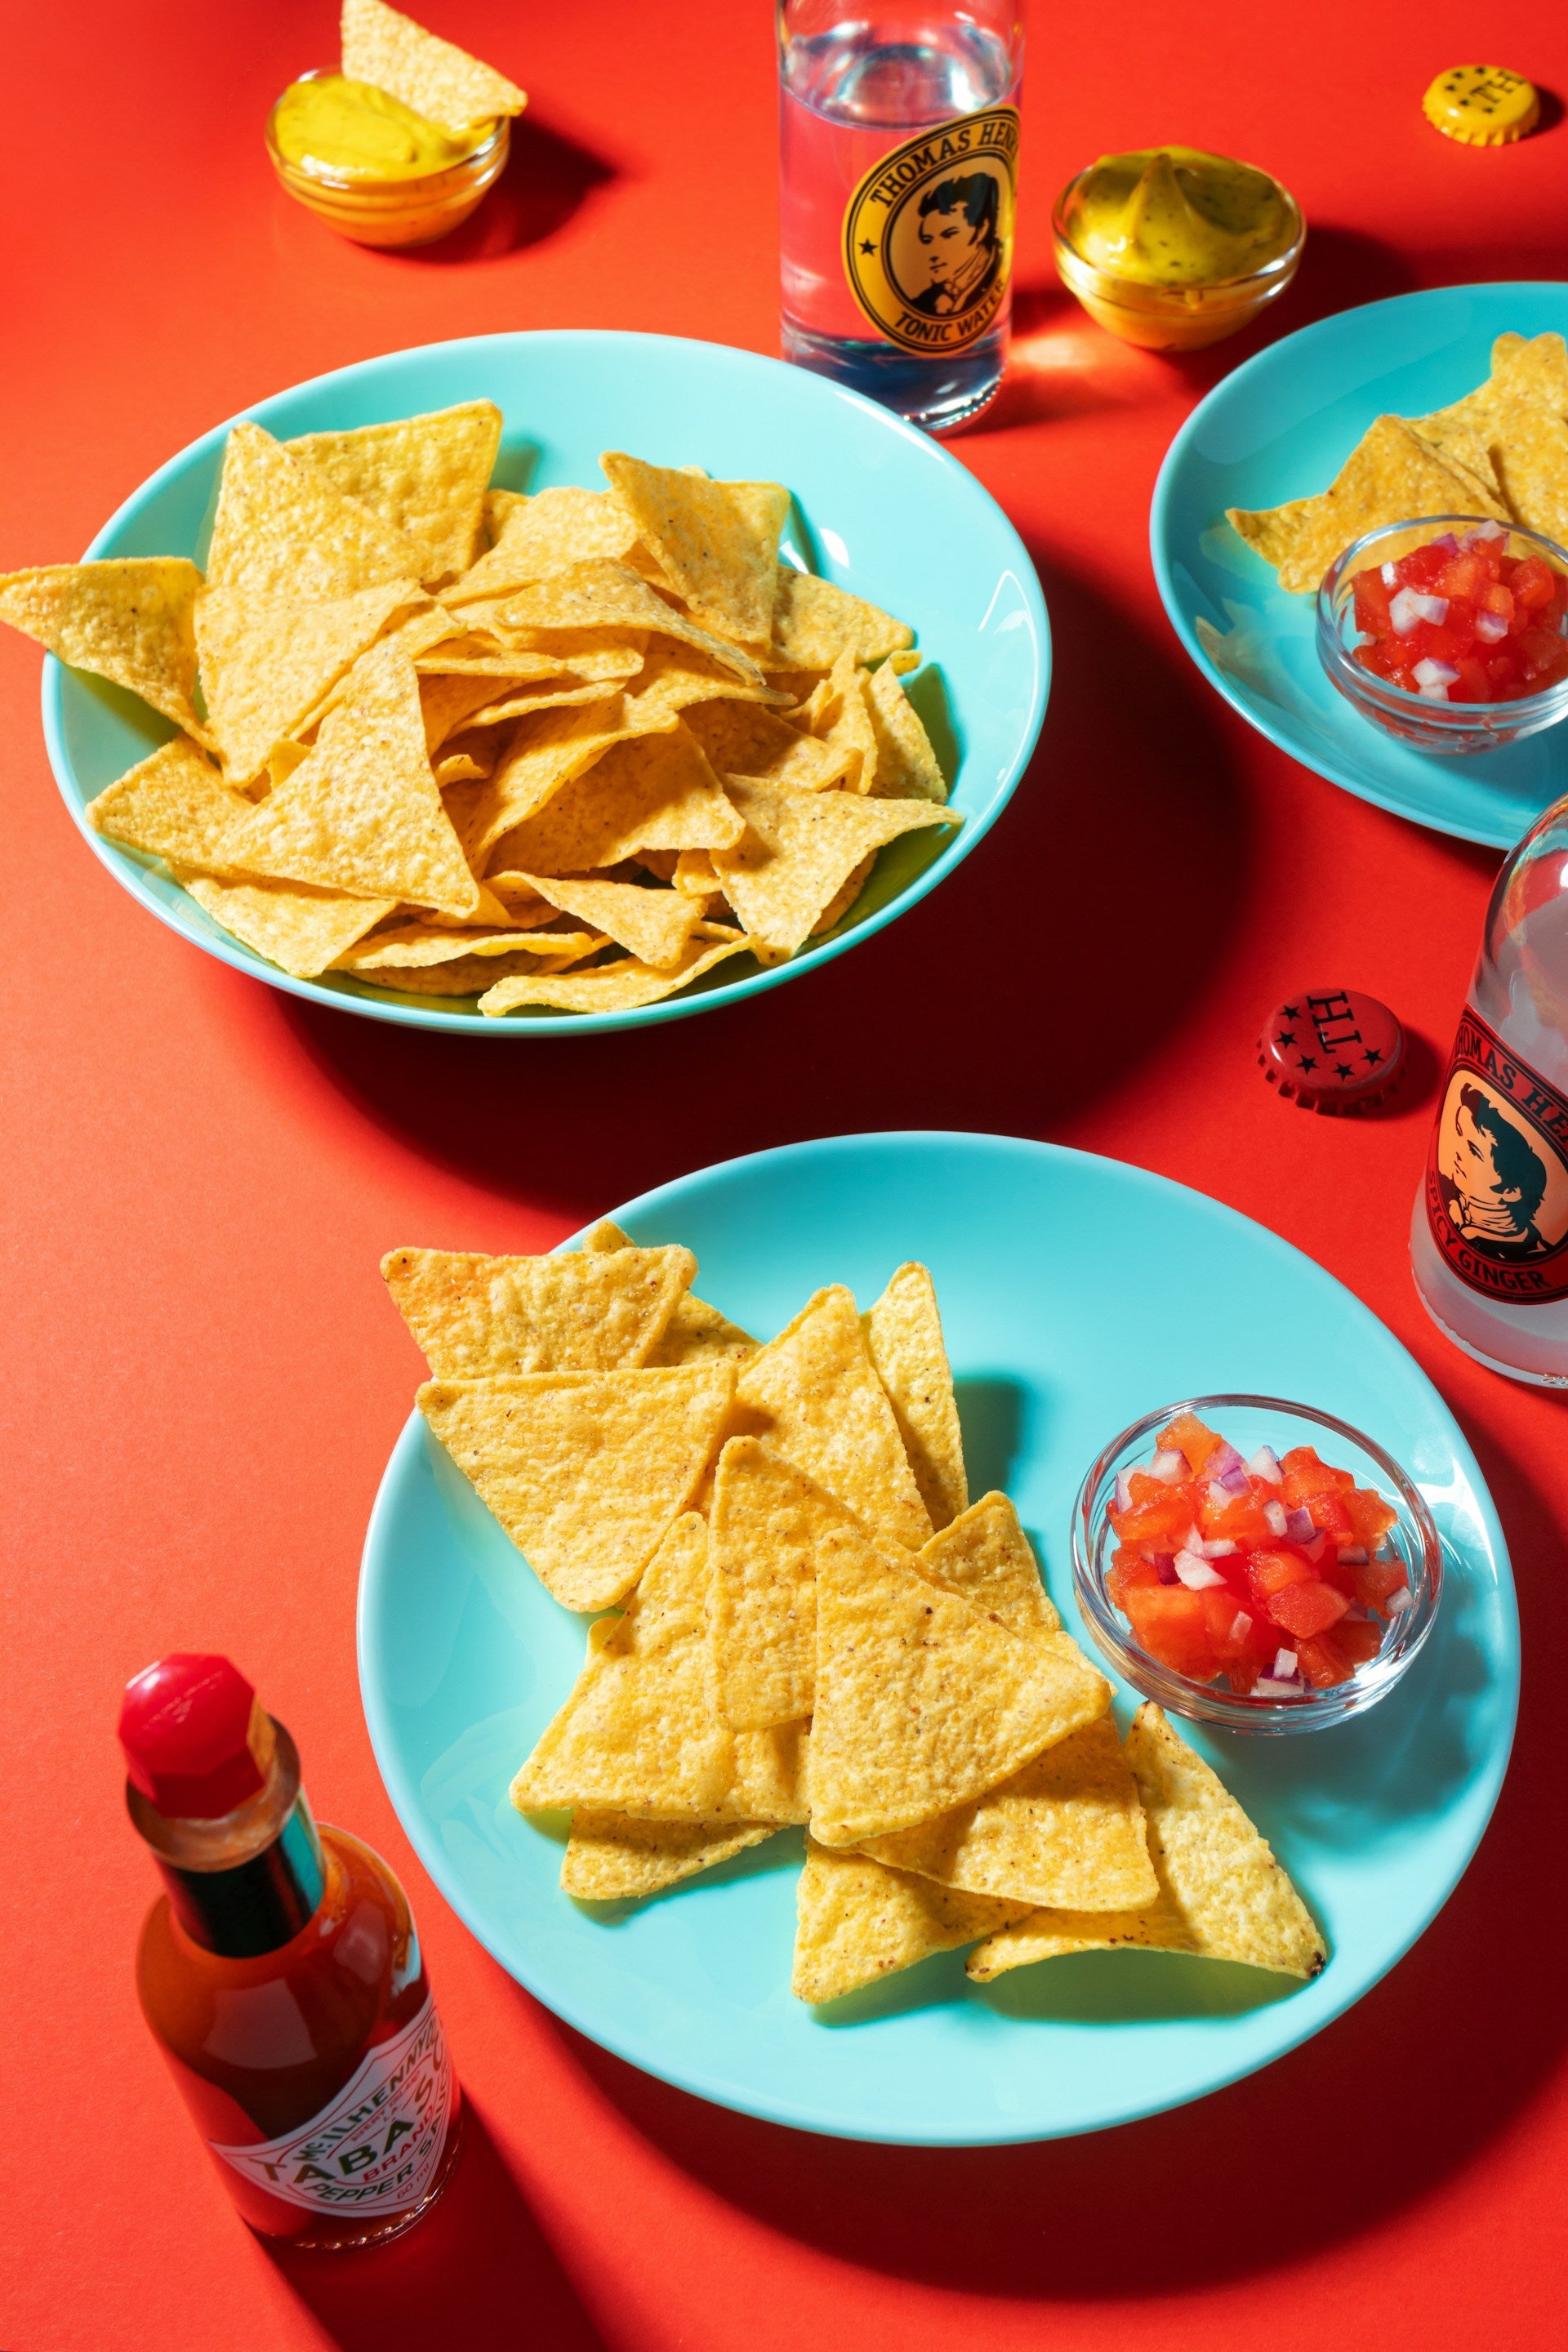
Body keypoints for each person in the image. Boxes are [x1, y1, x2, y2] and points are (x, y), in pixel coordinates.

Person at [1439, 1083, 1550, 1258]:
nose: (1456, 1150)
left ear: (1511, 1191)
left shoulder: (1528, 1254)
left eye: (1473, 1150)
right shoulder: (1450, 1199)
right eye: (1459, 1132)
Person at [906, 172, 1001, 319]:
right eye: (928, 240)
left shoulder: (994, 280)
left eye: (948, 235)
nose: (934, 252)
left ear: (981, 229)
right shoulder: (924, 300)